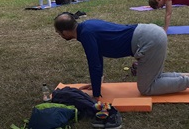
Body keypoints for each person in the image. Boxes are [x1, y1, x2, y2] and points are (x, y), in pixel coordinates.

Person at [53, 12, 189, 99]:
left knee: (146, 88)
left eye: (59, 33)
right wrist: (97, 83)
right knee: (155, 78)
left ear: (65, 32)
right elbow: (97, 57)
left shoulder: (86, 34)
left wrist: (95, 95)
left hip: (149, 40)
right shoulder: (87, 26)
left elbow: (94, 64)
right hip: (150, 33)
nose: (61, 36)